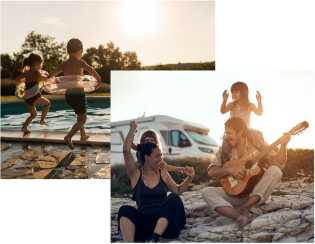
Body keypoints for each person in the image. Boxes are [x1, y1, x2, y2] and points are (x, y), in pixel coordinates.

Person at [202, 117, 291, 229]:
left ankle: (245, 207)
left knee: (275, 171)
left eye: (229, 133)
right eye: (225, 133)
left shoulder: (259, 145)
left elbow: (278, 164)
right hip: (233, 194)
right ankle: (239, 216)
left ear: (240, 132)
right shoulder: (224, 149)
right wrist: (230, 170)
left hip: (256, 194)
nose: (226, 136)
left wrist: (283, 146)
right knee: (207, 192)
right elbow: (211, 171)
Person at [118, 121, 195, 243]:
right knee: (124, 210)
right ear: (147, 157)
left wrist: (190, 177)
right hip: (145, 222)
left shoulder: (162, 173)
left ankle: (154, 239)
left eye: (161, 156)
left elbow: (178, 190)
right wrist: (133, 129)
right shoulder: (136, 174)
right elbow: (126, 150)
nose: (161, 160)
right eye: (157, 156)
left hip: (165, 223)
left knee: (174, 197)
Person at [48, 38, 101, 150]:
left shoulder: (63, 65)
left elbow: (51, 76)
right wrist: (99, 79)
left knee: (79, 115)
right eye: (81, 52)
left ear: (68, 52)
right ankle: (69, 136)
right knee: (83, 119)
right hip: (78, 95)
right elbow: (91, 70)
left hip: (68, 96)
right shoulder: (80, 63)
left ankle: (83, 135)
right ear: (79, 51)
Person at [220, 81, 265, 166]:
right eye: (232, 92)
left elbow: (259, 113)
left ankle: (263, 159)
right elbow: (223, 111)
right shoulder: (231, 105)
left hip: (247, 130)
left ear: (244, 92)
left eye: (236, 92)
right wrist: (224, 100)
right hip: (234, 130)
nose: (233, 94)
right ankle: (224, 165)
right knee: (225, 146)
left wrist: (259, 101)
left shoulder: (250, 105)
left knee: (259, 134)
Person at [14, 53, 50, 133]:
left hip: (27, 98)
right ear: (37, 63)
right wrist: (48, 77)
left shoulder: (26, 73)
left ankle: (24, 127)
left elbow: (16, 79)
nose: (41, 67)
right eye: (41, 64)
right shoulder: (36, 72)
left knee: (33, 115)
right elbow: (38, 78)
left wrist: (22, 80)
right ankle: (42, 120)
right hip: (35, 97)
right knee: (47, 104)